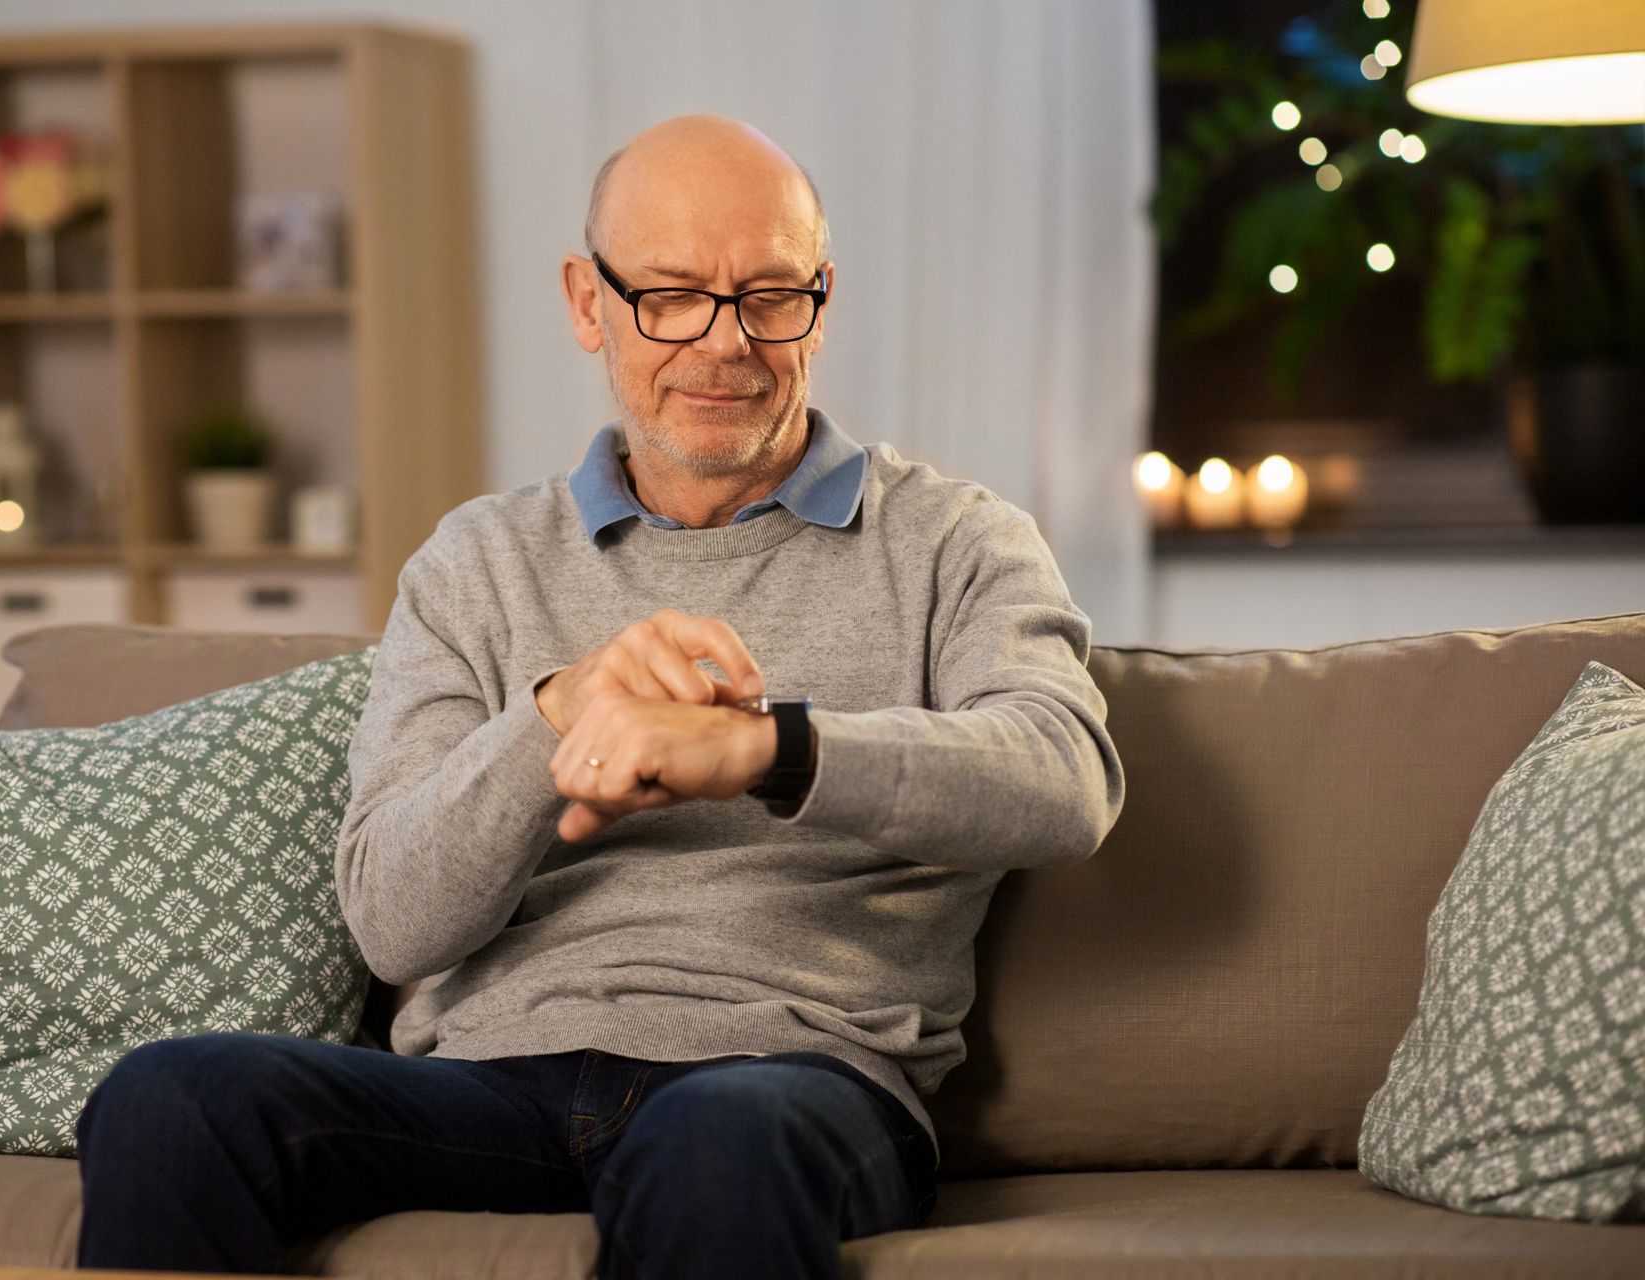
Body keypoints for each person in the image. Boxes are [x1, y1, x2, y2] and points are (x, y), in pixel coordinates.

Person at [74, 113, 1125, 1279]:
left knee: (716, 1142)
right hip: (487, 1087)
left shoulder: (956, 542)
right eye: (671, 294)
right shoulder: (475, 562)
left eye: (770, 294)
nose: (726, 343)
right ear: (589, 303)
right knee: (173, 1097)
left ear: (821, 302)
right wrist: (557, 719)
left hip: (790, 1081)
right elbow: (392, 918)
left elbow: (1064, 777)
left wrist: (764, 751)